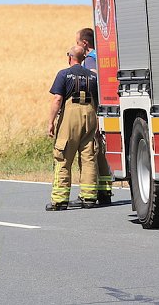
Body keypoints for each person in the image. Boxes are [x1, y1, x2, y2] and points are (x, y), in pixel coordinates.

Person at [46, 46, 99, 211]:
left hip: (71, 117)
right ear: (83, 58)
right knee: (88, 156)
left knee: (63, 157)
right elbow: (98, 100)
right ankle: (89, 197)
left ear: (70, 57)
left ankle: (60, 200)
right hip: (90, 116)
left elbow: (57, 99)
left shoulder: (63, 74)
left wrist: (51, 122)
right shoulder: (93, 76)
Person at [75, 27, 113, 205]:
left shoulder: (90, 59)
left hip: (94, 107)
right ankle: (105, 191)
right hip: (105, 106)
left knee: (92, 150)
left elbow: (93, 80)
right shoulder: (102, 55)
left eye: (77, 43)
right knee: (101, 152)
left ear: (84, 43)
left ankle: (92, 192)